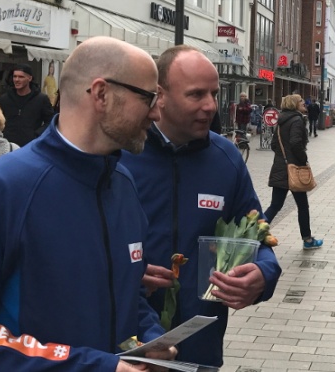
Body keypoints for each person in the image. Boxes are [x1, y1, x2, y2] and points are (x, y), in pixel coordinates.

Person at [0, 36, 176, 371]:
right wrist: (93, 366)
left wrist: (150, 339)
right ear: (101, 94)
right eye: (149, 97)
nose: (158, 112)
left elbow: (129, 297)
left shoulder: (123, 184)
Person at [120, 45, 281, 367]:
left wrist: (265, 272)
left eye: (214, 93)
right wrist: (124, 274)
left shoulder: (226, 159)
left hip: (200, 348)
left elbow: (256, 233)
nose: (210, 105)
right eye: (196, 95)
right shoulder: (119, 153)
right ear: (160, 95)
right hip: (127, 349)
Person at [263, 93, 324, 250]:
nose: (304, 103)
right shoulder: (297, 120)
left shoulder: (281, 120)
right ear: (294, 104)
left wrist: (282, 158)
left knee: (275, 205)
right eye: (301, 101)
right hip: (294, 169)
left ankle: (254, 232)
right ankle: (308, 240)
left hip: (280, 167)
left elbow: (274, 144)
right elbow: (296, 143)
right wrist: (303, 160)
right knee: (302, 206)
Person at [0, 63, 55, 146]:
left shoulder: (41, 99)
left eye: (21, 77)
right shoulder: (5, 99)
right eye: (15, 76)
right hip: (8, 146)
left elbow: (50, 121)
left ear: (29, 78)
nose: (16, 80)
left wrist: (37, 135)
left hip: (30, 146)